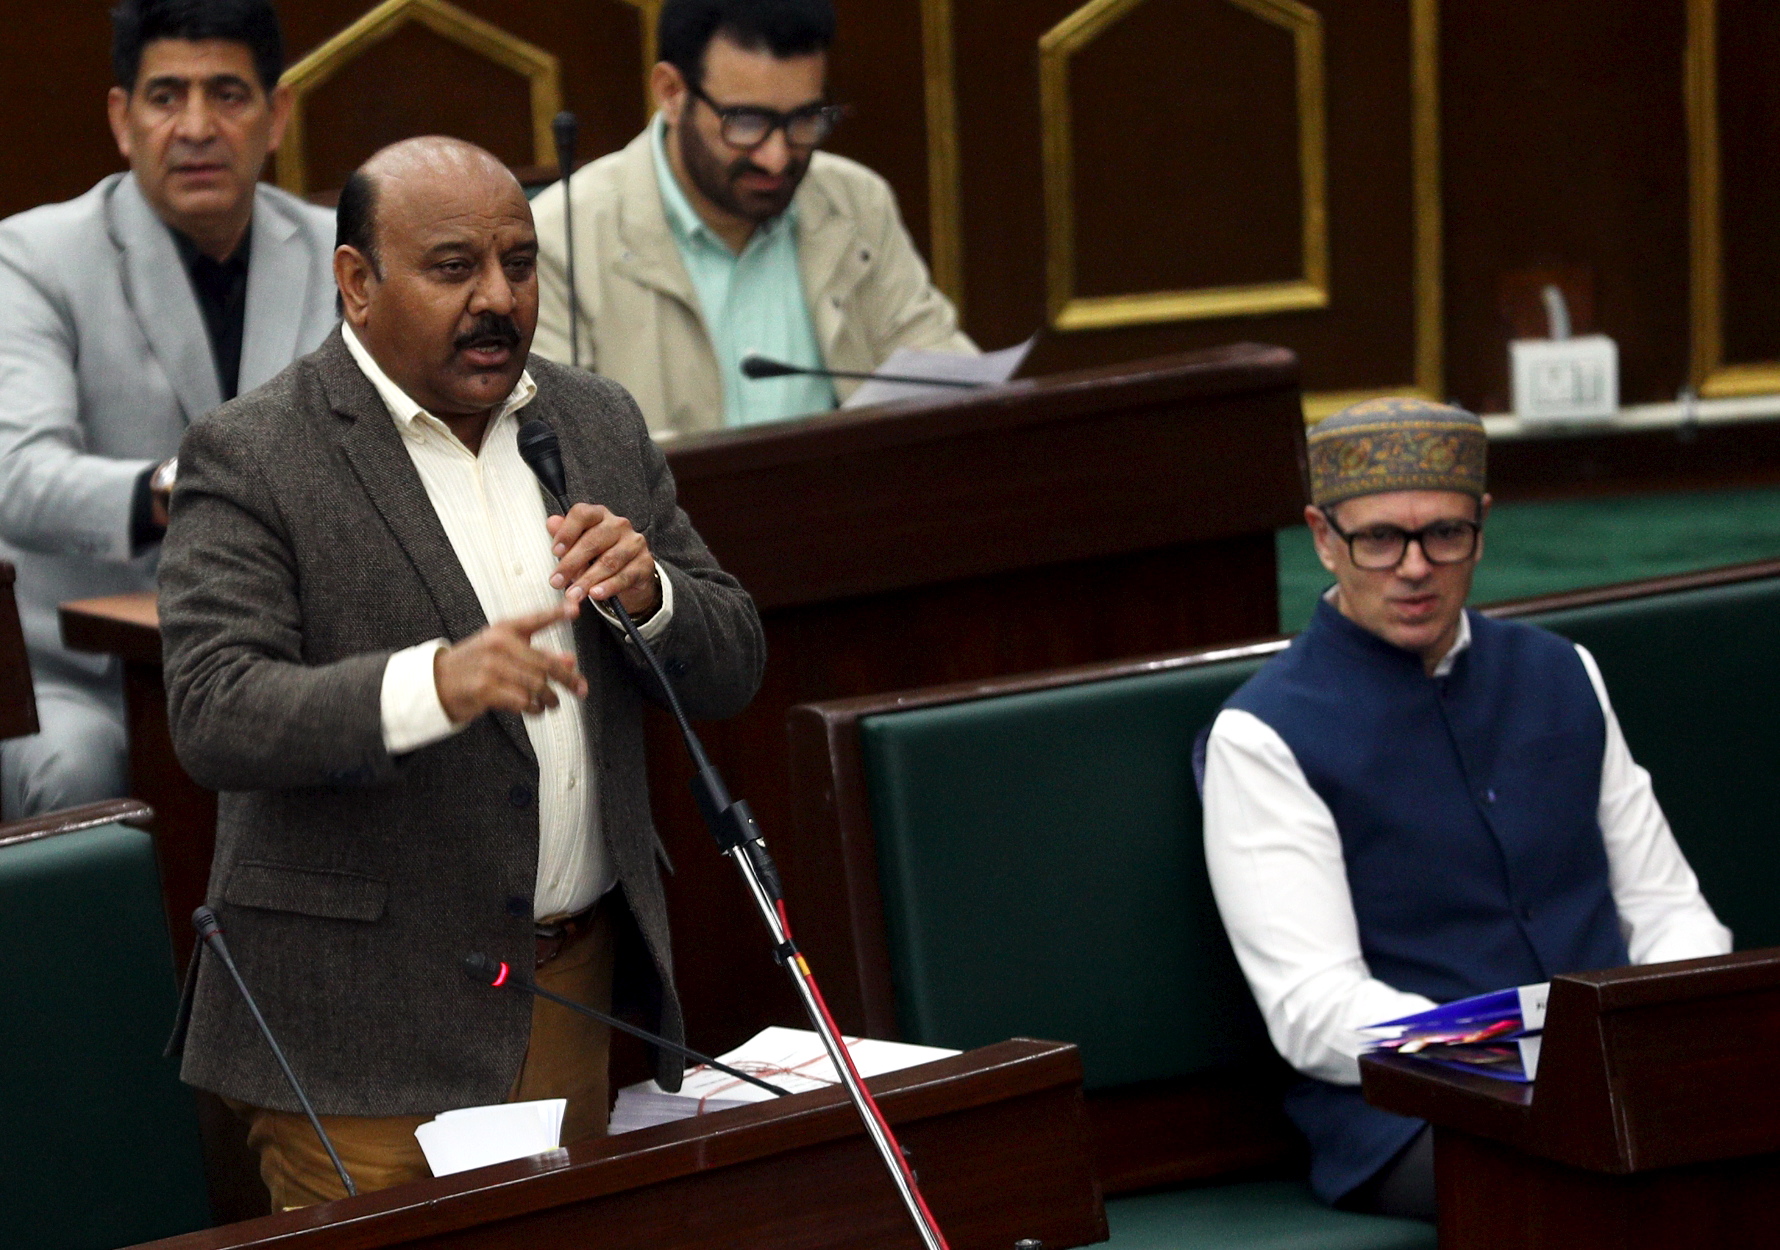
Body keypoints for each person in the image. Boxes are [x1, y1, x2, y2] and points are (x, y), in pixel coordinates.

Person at [159, 136, 766, 1208]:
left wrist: (652, 596)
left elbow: (733, 660)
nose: (497, 299)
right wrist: (430, 687)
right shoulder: (254, 453)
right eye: (453, 268)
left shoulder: (594, 420)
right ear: (357, 282)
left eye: (518, 264)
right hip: (362, 1028)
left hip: (568, 989)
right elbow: (215, 710)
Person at [1200, 397, 1731, 1220]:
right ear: (1323, 538)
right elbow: (1314, 1009)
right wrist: (1535, 1057)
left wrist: (1667, 1040)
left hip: (1625, 1070)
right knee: (1610, 1182)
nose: (1415, 567)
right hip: (1417, 1114)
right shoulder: (1264, 733)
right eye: (1381, 539)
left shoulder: (1561, 671)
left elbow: (1665, 907)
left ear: (1481, 528)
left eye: (1445, 534)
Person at [0, 0, 335, 819]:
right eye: (165, 96)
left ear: (277, 114)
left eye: (227, 94)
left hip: (298, 649)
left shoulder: (342, 252)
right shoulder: (33, 257)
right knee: (82, 770)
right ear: (123, 119)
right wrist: (173, 488)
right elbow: (18, 476)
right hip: (86, 675)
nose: (195, 127)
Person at [531, 0, 974, 437]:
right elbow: (559, 447)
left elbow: (943, 374)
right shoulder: (558, 240)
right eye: (745, 121)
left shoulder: (855, 201)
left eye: (804, 119)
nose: (776, 158)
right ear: (671, 93)